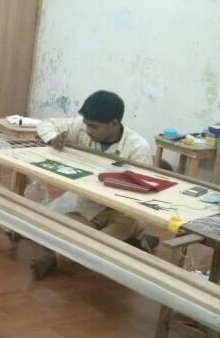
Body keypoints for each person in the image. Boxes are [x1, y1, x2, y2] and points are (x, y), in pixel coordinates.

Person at [30, 90, 152, 279]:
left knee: (106, 238)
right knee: (60, 228)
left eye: (94, 127)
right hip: (91, 204)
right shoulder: (83, 127)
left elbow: (138, 194)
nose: (88, 130)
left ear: (114, 123)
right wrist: (54, 138)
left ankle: (55, 259)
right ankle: (131, 243)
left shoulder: (138, 148)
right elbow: (46, 124)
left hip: (123, 211)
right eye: (86, 124)